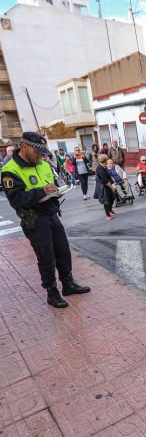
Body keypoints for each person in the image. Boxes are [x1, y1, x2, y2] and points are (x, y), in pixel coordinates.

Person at [1, 132, 90, 308]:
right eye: (38, 151)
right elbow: (17, 200)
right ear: (25, 147)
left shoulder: (42, 163)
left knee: (63, 251)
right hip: (34, 219)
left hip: (51, 213)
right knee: (46, 256)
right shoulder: (10, 170)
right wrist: (43, 191)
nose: (41, 156)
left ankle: (68, 284)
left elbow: (52, 183)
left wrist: (57, 190)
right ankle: (52, 292)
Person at [94, 154, 115, 220]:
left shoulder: (104, 166)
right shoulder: (100, 168)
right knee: (106, 201)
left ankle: (110, 209)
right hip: (103, 187)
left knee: (112, 198)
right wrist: (112, 187)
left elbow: (108, 175)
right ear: (104, 160)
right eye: (106, 159)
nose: (107, 160)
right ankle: (107, 215)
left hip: (107, 185)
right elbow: (104, 181)